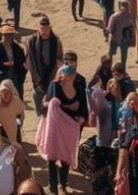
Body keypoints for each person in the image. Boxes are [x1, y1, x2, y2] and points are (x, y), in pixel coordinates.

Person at [37, 65, 85, 194]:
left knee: (65, 157)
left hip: (70, 127)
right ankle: (53, 188)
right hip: (54, 126)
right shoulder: (55, 85)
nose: (69, 77)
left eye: (72, 74)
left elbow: (84, 109)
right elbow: (49, 104)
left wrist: (82, 118)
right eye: (66, 74)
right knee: (52, 157)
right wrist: (69, 107)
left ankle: (62, 185)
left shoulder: (79, 87)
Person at [26, 16, 63, 117]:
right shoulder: (32, 41)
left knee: (53, 107)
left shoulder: (56, 41)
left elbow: (59, 59)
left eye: (46, 28)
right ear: (38, 28)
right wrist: (36, 77)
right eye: (42, 28)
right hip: (38, 78)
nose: (44, 31)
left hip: (52, 77)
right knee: (40, 108)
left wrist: (57, 76)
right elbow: (30, 61)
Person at [0, 79, 26, 144]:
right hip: (3, 132)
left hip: (15, 130)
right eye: (2, 93)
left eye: (7, 93)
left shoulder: (16, 101)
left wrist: (19, 121)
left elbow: (21, 113)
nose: (5, 96)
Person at [105, 0, 136, 70]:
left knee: (110, 54)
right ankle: (123, 70)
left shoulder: (114, 16)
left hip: (115, 38)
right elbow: (133, 27)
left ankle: (109, 69)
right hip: (125, 38)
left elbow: (110, 29)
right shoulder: (130, 16)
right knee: (124, 57)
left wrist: (107, 34)